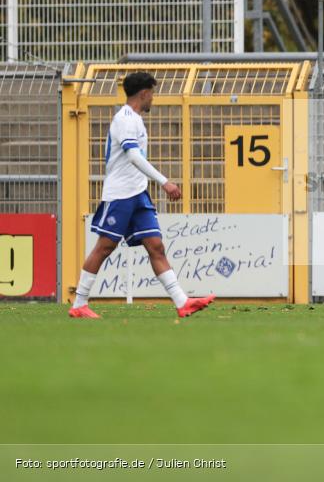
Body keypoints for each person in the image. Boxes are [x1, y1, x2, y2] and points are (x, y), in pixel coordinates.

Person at [69, 72, 215, 319]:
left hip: (138, 194)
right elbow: (134, 157)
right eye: (152, 94)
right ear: (145, 93)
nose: (153, 100)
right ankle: (79, 304)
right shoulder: (125, 119)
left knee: (156, 246)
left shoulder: (134, 119)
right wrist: (164, 182)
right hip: (121, 195)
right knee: (104, 247)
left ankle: (182, 302)